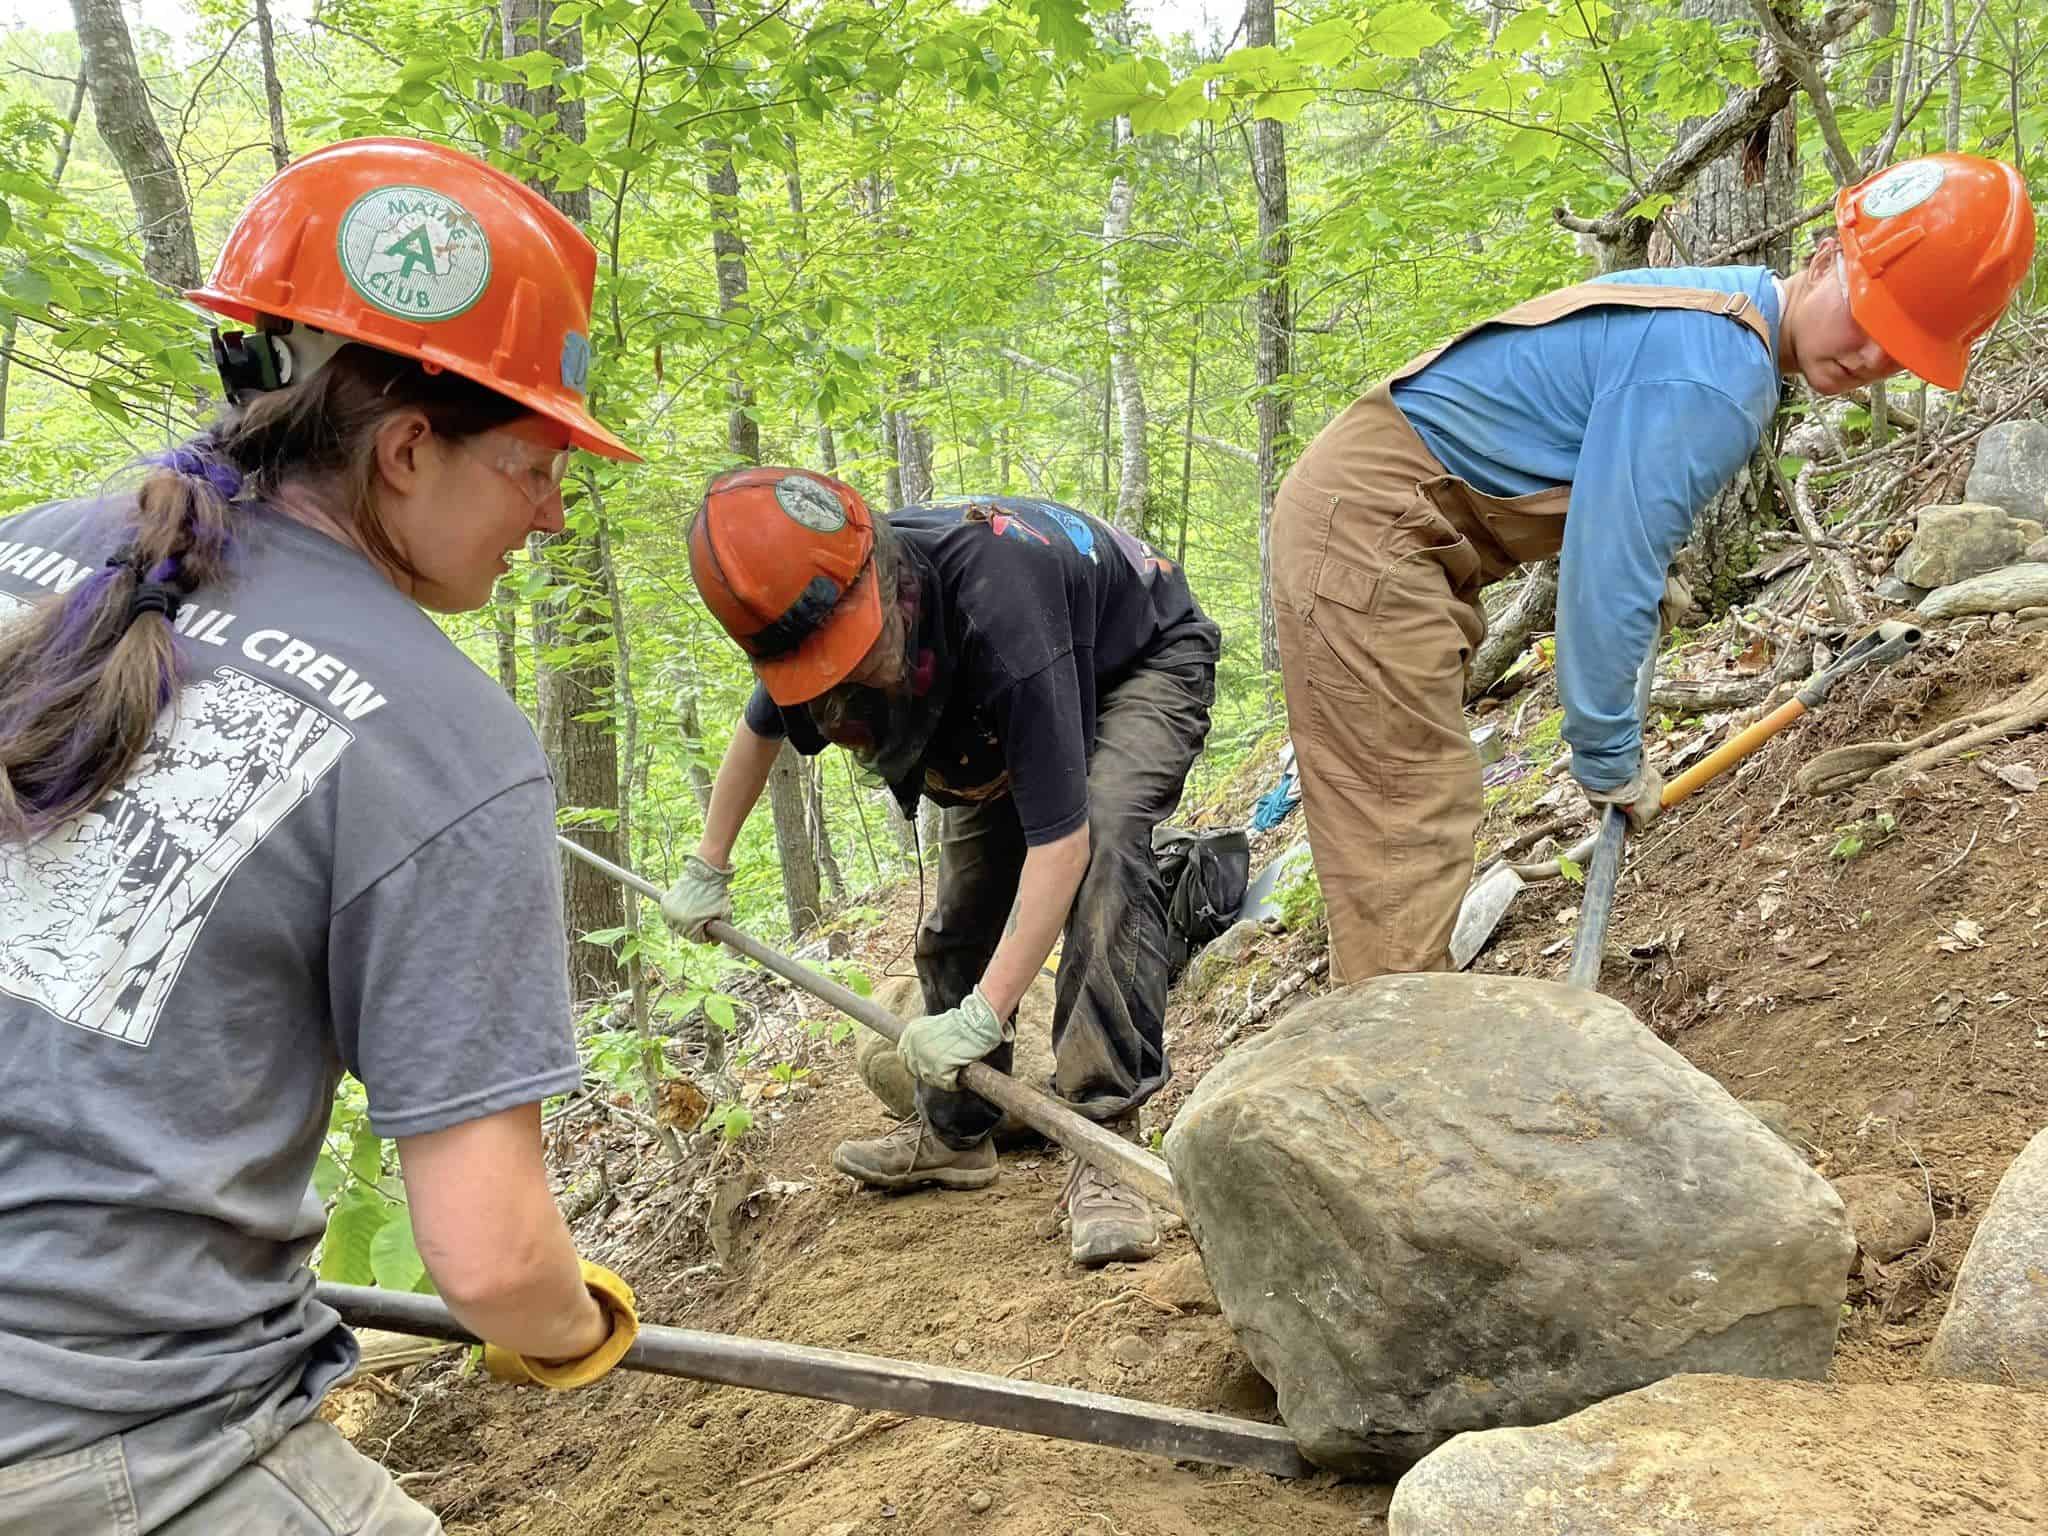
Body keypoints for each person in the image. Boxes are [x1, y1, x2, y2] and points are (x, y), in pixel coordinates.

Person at [0, 137, 644, 1535]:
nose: (548, 512)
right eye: (535, 465)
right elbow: (486, 1263)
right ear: (408, 449)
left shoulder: (28, 548)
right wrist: (562, 1319)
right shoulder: (443, 736)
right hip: (113, 1442)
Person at [1271, 152, 2036, 983]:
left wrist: (1650, 560)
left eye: (1902, 349)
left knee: (1412, 801)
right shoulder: (1716, 374)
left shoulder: (1721, 320)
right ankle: (1397, 1076)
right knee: (1406, 812)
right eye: (1870, 318)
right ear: (1823, 259)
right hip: (1372, 529)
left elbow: (1611, 482)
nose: (1872, 358)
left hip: (1380, 515)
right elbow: (1607, 570)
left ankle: (1402, 1040)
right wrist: (1609, 756)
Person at [663, 473, 1218, 1266]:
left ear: (886, 584)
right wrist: (706, 863)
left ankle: (1105, 1147)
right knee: (963, 902)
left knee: (1105, 846)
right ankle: (957, 1134)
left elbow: (1061, 847)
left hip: (1136, 660)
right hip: (997, 697)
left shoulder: (1000, 608)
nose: (846, 676)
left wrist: (985, 1013)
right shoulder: (800, 604)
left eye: (854, 659)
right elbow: (760, 733)